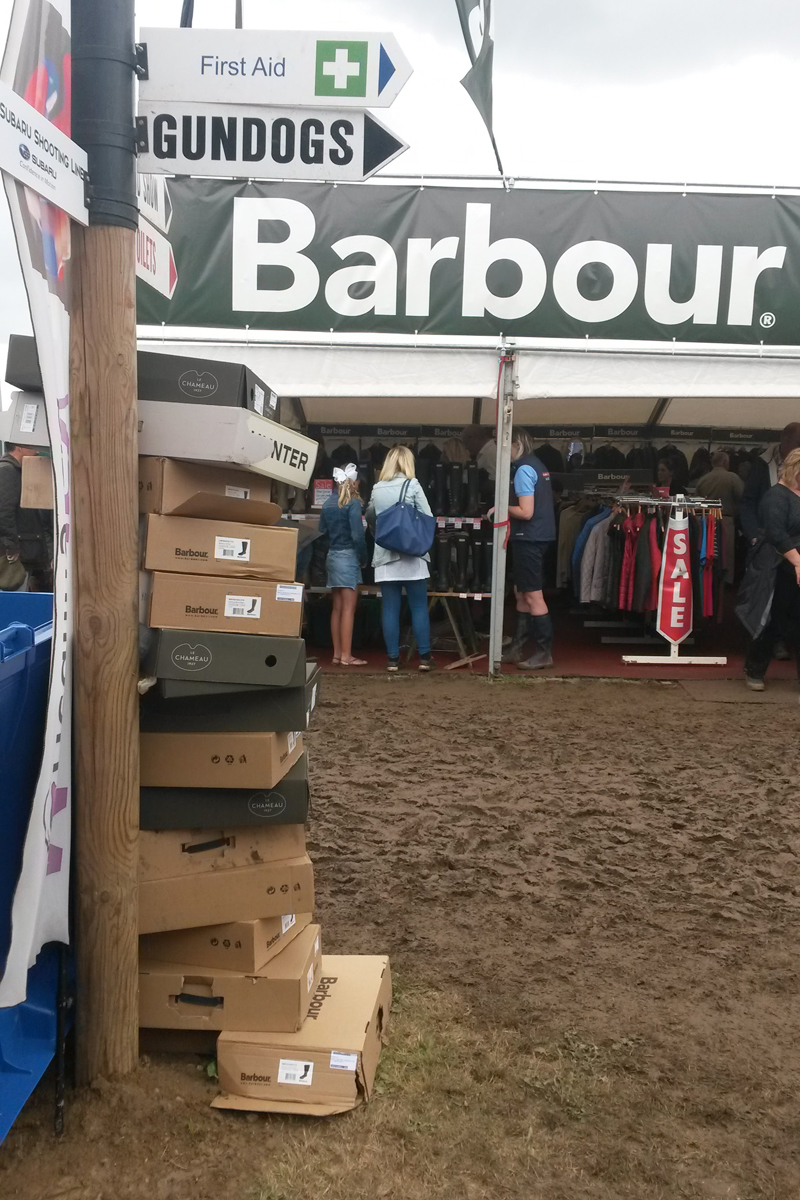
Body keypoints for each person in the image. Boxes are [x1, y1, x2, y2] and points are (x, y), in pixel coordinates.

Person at [366, 445, 434, 673]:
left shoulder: (377, 488)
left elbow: (371, 517)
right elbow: (427, 516)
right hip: (413, 555)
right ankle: (424, 658)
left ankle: (393, 659)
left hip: (385, 554)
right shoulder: (413, 485)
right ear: (407, 463)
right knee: (418, 607)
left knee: (390, 608)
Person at [739, 423, 800, 659]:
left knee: (786, 609)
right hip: (771, 553)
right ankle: (760, 658)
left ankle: (778, 646)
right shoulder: (763, 466)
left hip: (787, 553)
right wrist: (753, 535)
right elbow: (748, 502)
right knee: (770, 608)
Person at [499, 427, 557, 670]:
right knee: (521, 592)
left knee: (532, 595)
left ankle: (544, 653)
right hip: (538, 536)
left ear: (516, 445)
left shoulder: (523, 469)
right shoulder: (536, 465)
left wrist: (500, 506)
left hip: (529, 537)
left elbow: (526, 511)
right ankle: (517, 648)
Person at [318, 463, 368, 667]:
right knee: (349, 609)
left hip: (332, 555)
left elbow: (322, 530)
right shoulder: (353, 504)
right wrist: (363, 557)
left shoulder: (328, 503)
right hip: (348, 557)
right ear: (353, 483)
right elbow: (357, 535)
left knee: (337, 608)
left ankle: (337, 654)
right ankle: (347, 656)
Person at [0, 444, 52, 592]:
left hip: (24, 552)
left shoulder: (18, 471)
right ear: (19, 447)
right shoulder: (7, 471)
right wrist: (11, 548)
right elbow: (4, 512)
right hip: (13, 557)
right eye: (31, 446)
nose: (36, 451)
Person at [695, 451, 745, 585]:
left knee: (707, 552)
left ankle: (706, 580)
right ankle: (725, 584)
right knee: (726, 556)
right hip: (725, 520)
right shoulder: (732, 478)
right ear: (725, 462)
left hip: (705, 521)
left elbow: (697, 501)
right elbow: (743, 498)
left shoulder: (703, 479)